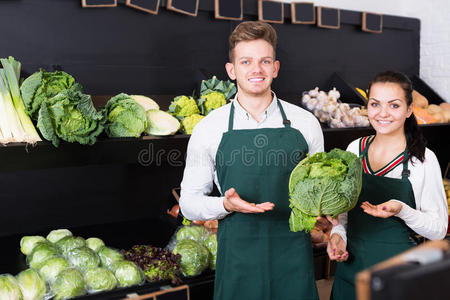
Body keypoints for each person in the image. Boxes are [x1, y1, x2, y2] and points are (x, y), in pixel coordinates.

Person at [179, 21, 324, 300]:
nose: (256, 70)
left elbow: (320, 189)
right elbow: (188, 203)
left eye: (264, 61)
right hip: (238, 262)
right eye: (246, 61)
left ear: (275, 68)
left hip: (293, 259)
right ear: (231, 70)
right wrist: (224, 204)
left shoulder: (306, 124)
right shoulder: (209, 128)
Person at [328, 71, 448, 300]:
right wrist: (338, 234)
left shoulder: (421, 159)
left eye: (393, 106)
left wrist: (403, 210)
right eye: (375, 104)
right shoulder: (355, 149)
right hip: (351, 273)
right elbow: (344, 213)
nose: (382, 114)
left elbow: (439, 229)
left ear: (409, 109)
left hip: (399, 280)